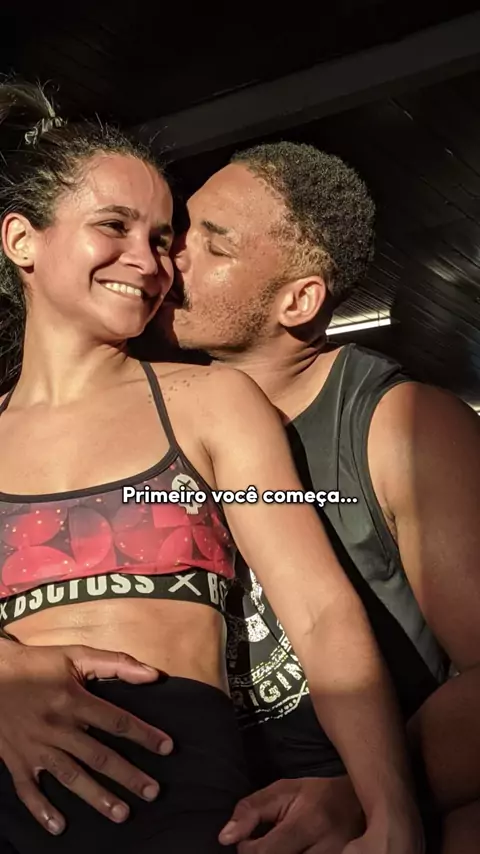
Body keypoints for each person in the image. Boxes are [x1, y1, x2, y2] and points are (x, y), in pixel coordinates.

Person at [0, 82, 424, 854]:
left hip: (181, 806)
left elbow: (319, 611)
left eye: (163, 237)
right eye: (113, 225)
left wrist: (390, 810)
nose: (149, 260)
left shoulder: (211, 404)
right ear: (23, 241)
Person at [150, 141, 480, 853]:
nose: (171, 258)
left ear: (297, 300)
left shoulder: (400, 425)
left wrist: (364, 795)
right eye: (180, 231)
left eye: (214, 245)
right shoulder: (152, 417)